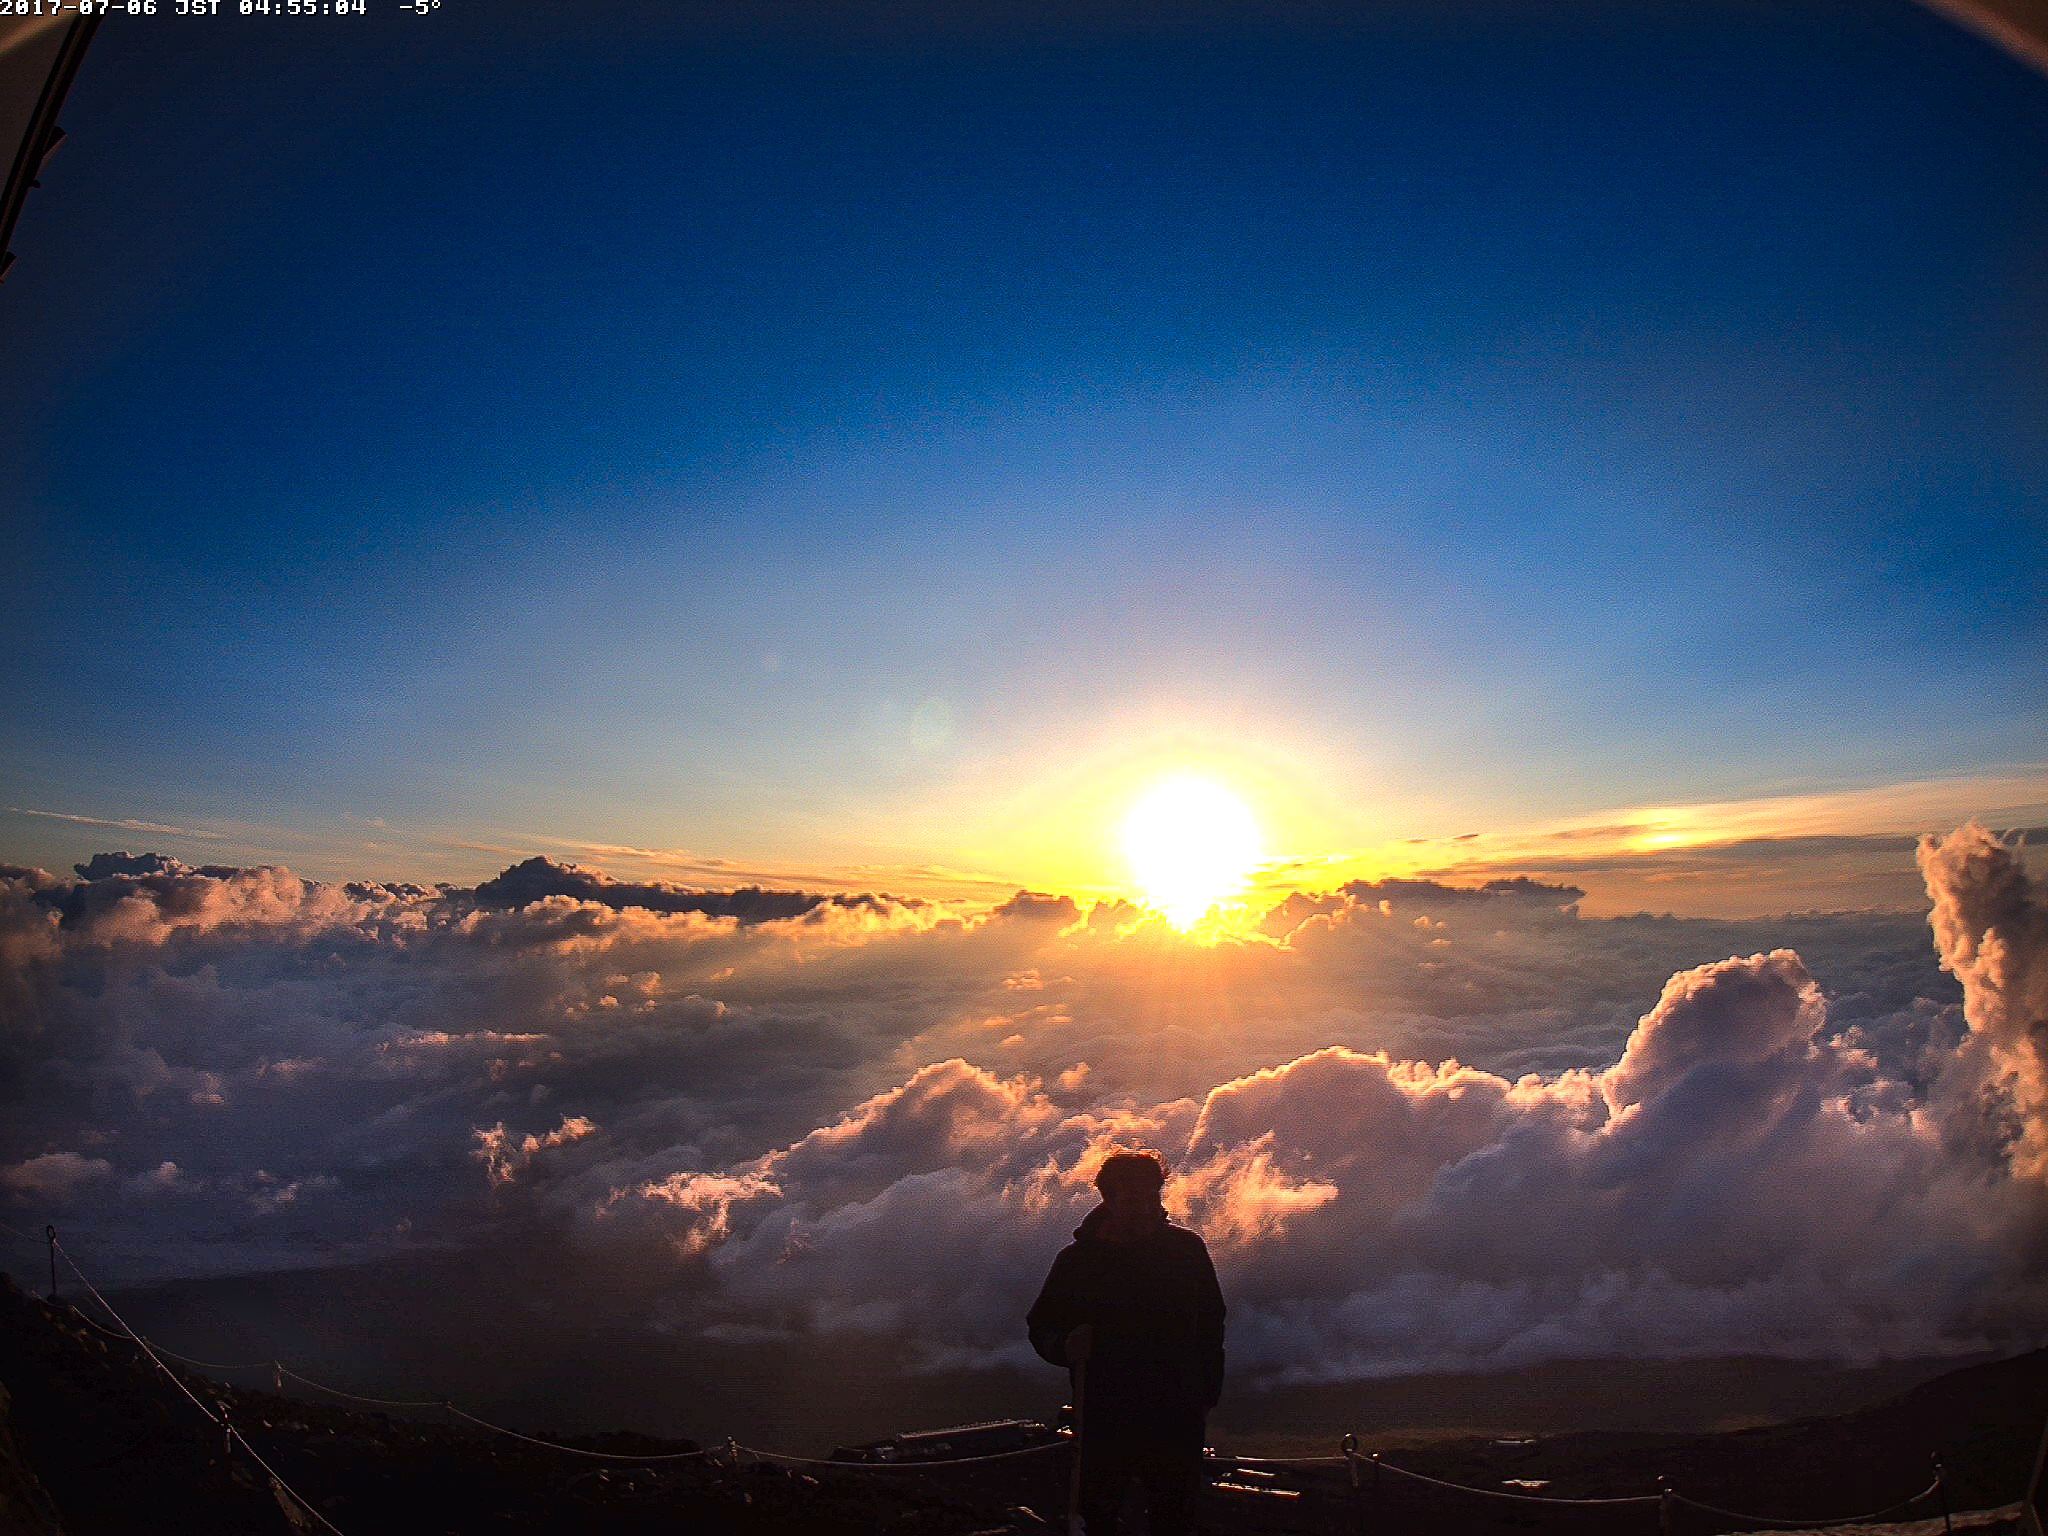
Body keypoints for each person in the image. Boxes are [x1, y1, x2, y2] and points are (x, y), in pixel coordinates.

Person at [1026, 1148, 1225, 1535]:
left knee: (1175, 1519)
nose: (1146, 1208)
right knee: (1099, 1516)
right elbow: (1042, 1325)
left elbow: (1212, 1326)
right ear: (1109, 1199)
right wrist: (1064, 1347)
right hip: (1105, 1416)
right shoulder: (1077, 1263)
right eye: (1134, 1199)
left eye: (1152, 1196)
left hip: (1176, 1414)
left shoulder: (1186, 1252)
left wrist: (1204, 1395)